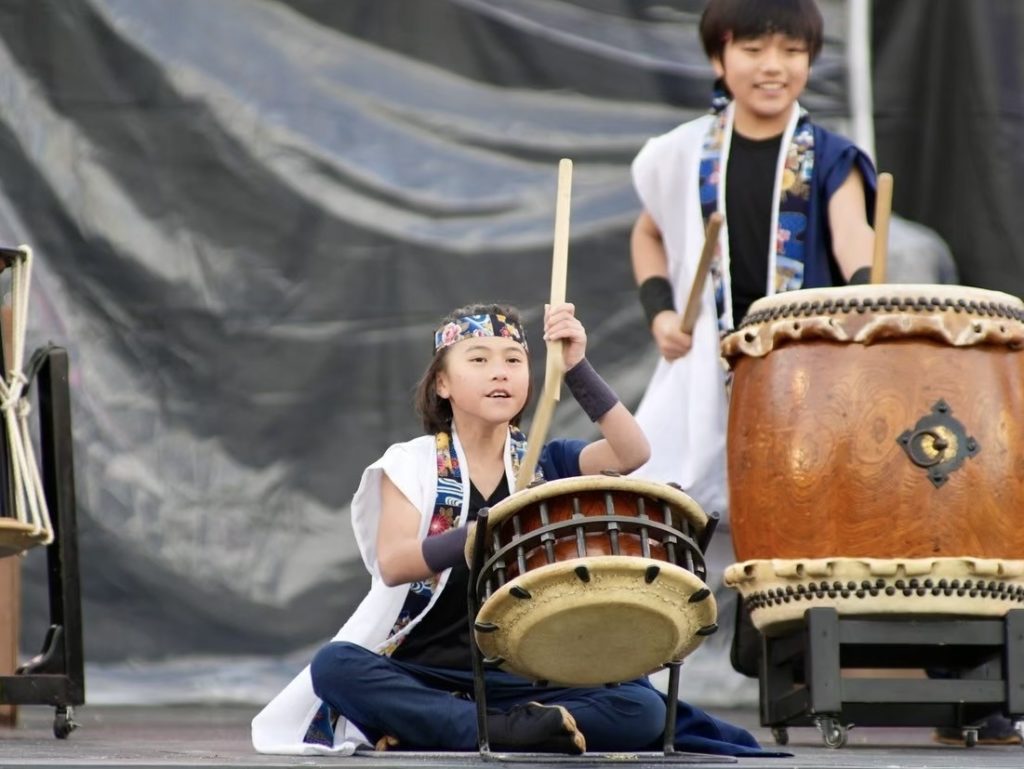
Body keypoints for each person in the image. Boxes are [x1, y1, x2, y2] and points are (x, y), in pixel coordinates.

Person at [251, 302, 769, 756]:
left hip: (529, 676)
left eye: (514, 360)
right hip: (429, 671)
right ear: (443, 383)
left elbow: (632, 453)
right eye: (478, 359)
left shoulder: (547, 462)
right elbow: (394, 563)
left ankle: (470, 730)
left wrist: (576, 366)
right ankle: (500, 731)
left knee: (640, 708)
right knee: (336, 667)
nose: (499, 372)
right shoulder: (410, 465)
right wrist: (484, 531)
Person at [628, 0, 877, 516]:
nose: (773, 66)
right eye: (753, 49)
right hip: (703, 365)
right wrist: (661, 314)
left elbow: (853, 231)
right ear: (719, 59)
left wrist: (867, 289)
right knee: (667, 507)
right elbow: (647, 234)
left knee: (795, 511)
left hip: (806, 364)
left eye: (791, 50)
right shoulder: (681, 153)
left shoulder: (831, 156)